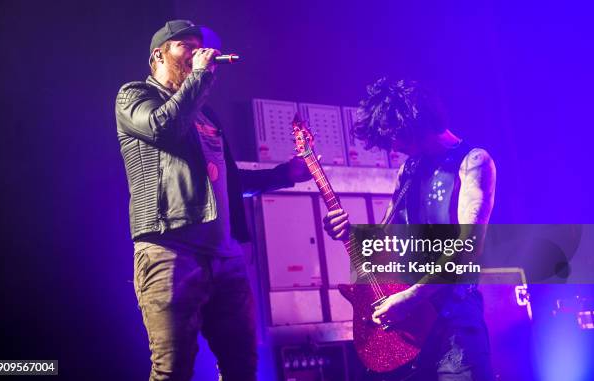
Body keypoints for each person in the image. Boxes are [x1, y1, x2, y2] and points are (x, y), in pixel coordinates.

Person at [115, 19, 310, 381]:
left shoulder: (205, 113)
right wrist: (200, 77)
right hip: (170, 250)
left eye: (199, 46)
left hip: (225, 257)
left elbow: (230, 183)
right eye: (185, 46)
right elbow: (164, 128)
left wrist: (285, 174)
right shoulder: (134, 97)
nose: (197, 52)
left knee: (242, 365)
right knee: (173, 369)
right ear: (158, 55)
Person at [323, 78, 497, 381]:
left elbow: (468, 246)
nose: (393, 146)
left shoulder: (473, 162)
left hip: (454, 319)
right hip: (413, 326)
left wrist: (412, 297)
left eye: (394, 136)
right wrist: (348, 233)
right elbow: (386, 243)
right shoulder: (409, 170)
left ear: (410, 123)